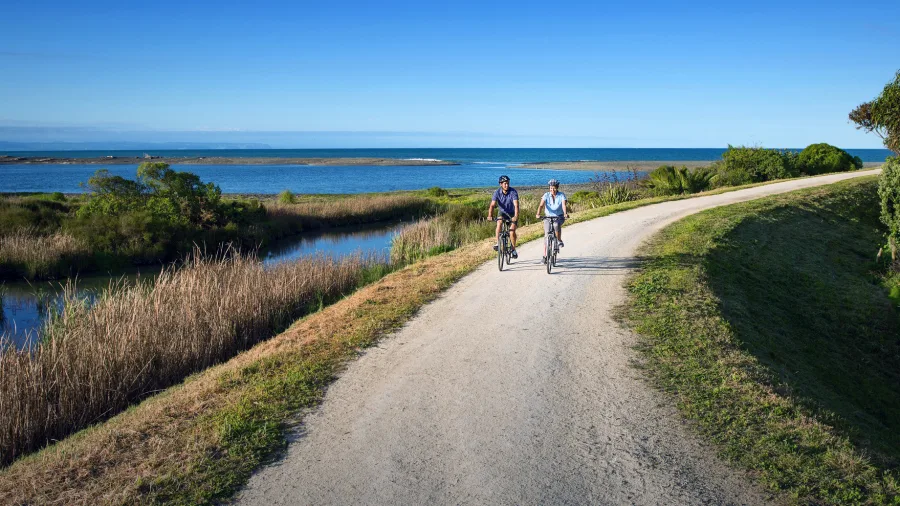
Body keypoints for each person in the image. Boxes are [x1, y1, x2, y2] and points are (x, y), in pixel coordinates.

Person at [536, 179, 569, 264]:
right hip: (548, 217)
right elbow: (541, 205)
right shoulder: (546, 195)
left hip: (559, 216)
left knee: (556, 224)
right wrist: (538, 214)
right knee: (546, 236)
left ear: (557, 188)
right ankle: (545, 256)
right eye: (550, 188)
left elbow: (563, 205)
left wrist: (565, 213)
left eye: (554, 188)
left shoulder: (561, 195)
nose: (552, 190)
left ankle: (559, 240)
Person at [487, 175, 519, 259]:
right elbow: (492, 205)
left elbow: (516, 205)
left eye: (508, 183)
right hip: (502, 212)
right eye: (505, 184)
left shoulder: (513, 192)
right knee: (499, 223)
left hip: (512, 213)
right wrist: (490, 215)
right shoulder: (497, 193)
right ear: (500, 184)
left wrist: (515, 216)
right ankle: (498, 242)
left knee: (511, 231)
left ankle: (513, 249)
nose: (507, 185)